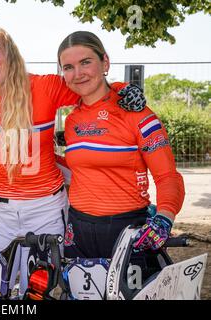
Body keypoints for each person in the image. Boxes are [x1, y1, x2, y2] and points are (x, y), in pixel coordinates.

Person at [0, 24, 145, 297]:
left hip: (46, 209)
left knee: (44, 289)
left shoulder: (44, 87)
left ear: (10, 54)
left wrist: (123, 89)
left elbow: (89, 85)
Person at [57, 31, 185, 259]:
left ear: (105, 62)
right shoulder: (72, 120)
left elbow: (168, 177)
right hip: (77, 231)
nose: (78, 73)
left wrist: (165, 217)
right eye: (68, 67)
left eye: (86, 62)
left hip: (129, 229)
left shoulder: (138, 114)